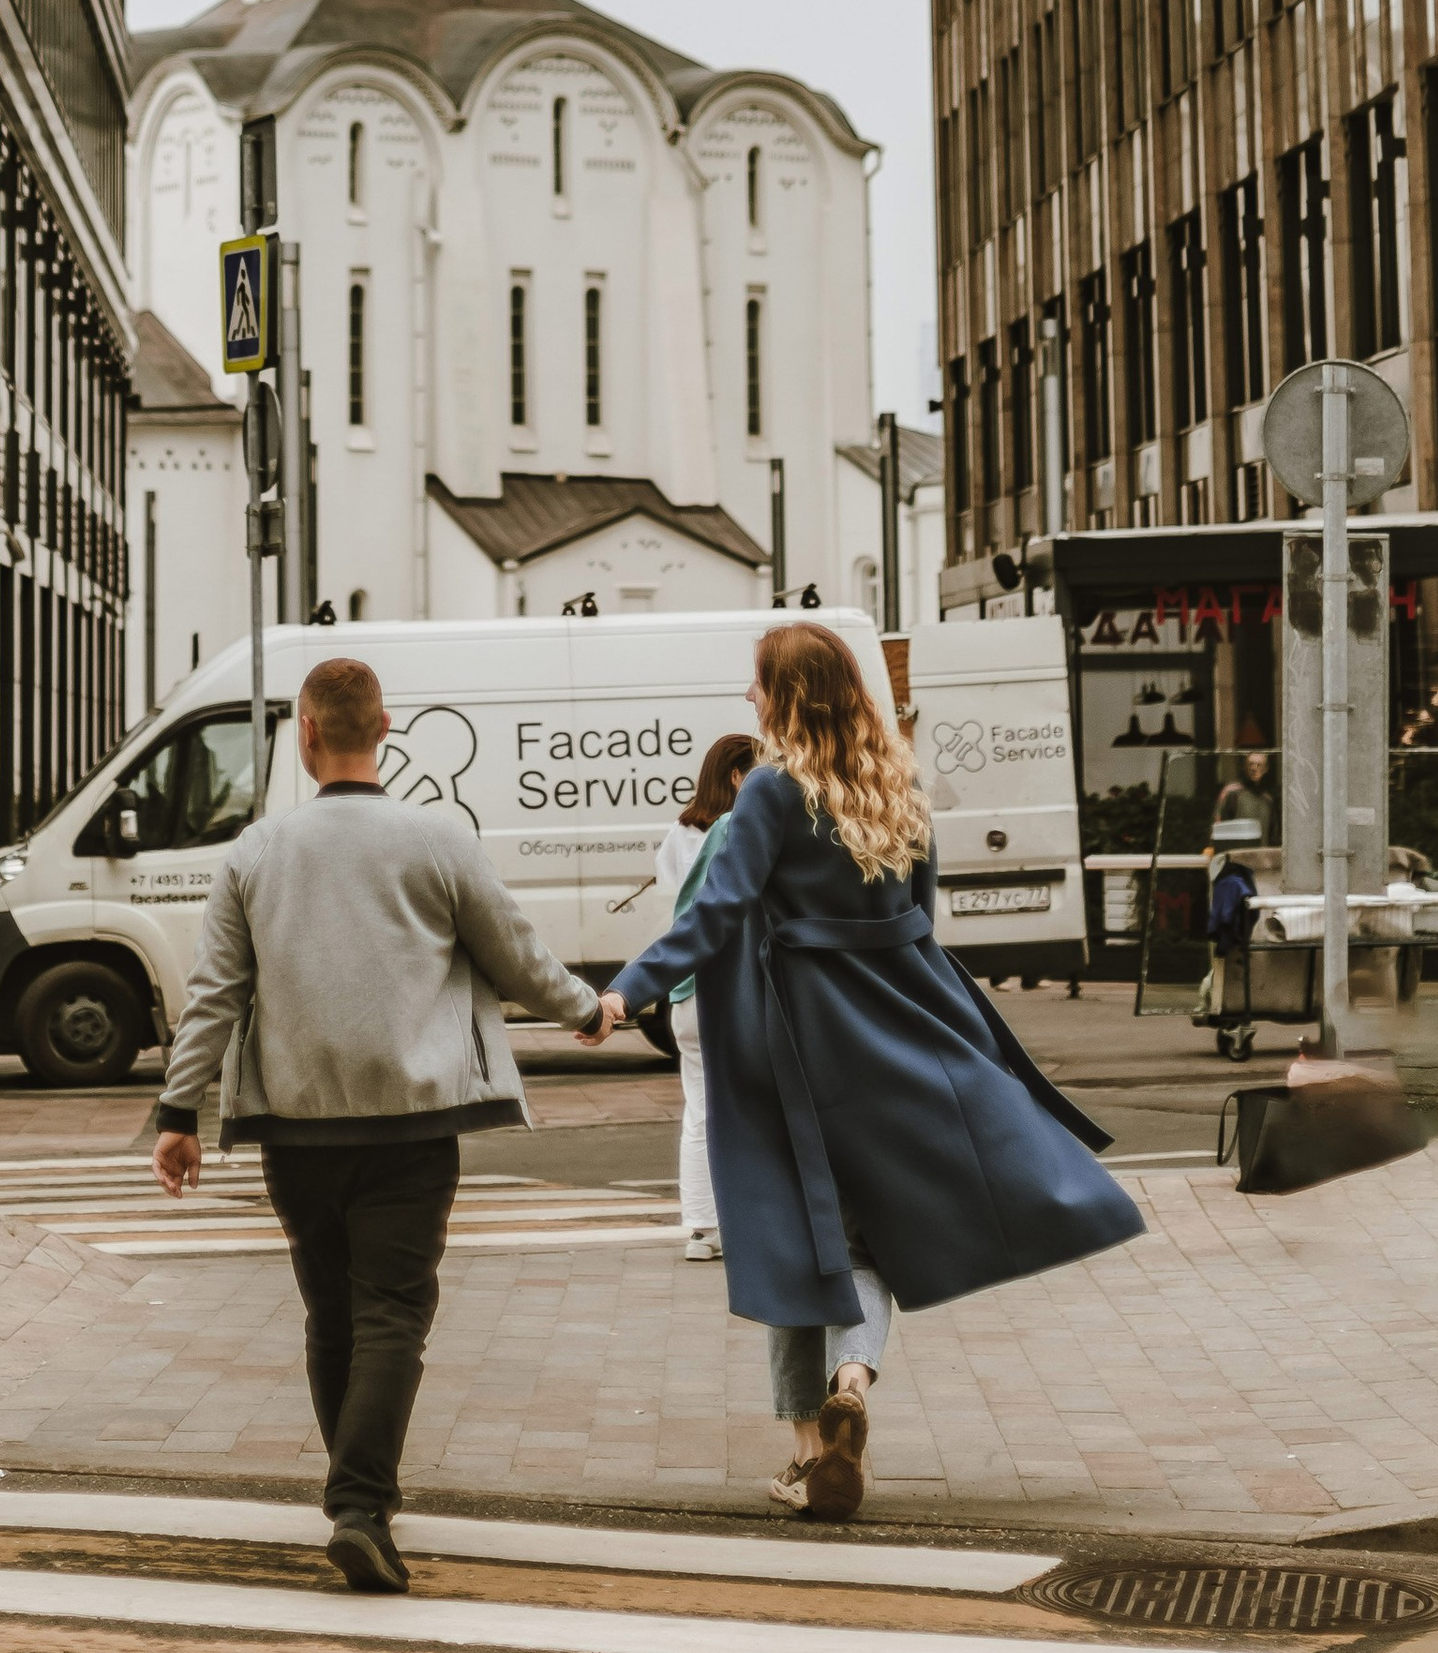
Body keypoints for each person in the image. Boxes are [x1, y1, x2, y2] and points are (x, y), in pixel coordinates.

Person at [583, 618, 1143, 1521]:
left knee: (791, 1232)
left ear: (786, 696)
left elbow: (713, 914)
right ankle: (853, 1379)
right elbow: (921, 922)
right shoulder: (898, 783)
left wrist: (626, 993)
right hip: (900, 1029)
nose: (748, 696)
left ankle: (808, 1450)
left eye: (758, 683)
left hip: (799, 1039)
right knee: (871, 1237)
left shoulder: (771, 792)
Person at [151, 654, 598, 1594]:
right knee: (393, 1311)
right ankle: (360, 1506)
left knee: (331, 1314)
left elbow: (214, 994)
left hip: (295, 1128)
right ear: (385, 728)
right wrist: (587, 1010)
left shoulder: (256, 852)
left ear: (306, 734)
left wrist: (178, 1111)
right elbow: (516, 955)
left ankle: (360, 1499)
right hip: (412, 1124)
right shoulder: (436, 840)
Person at [652, 730, 759, 1260]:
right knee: (752, 1107)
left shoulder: (678, 833)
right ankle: (750, 1218)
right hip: (731, 986)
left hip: (685, 986)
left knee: (699, 1108)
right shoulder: (745, 829)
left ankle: (701, 1228)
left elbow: (675, 904)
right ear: (738, 776)